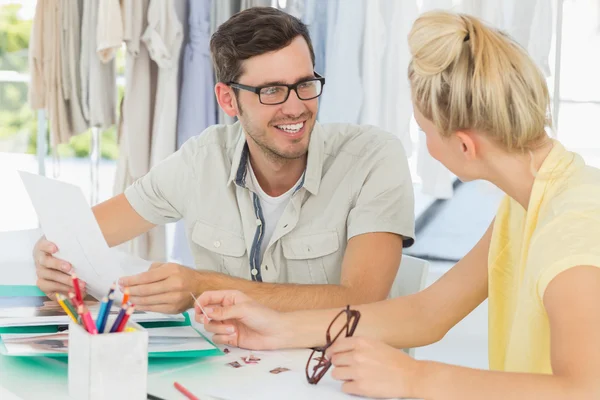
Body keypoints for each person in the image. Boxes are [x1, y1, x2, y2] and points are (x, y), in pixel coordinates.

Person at [194, 11, 600, 399]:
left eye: (423, 131)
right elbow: (429, 313)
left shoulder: (572, 228)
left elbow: (585, 391)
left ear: (464, 145)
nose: (423, 142)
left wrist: (413, 376)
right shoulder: (529, 201)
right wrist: (278, 328)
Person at [32, 7, 415, 314]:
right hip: (230, 372)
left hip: (337, 375)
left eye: (305, 84)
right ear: (228, 100)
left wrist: (204, 286)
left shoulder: (372, 158)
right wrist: (51, 257)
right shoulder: (201, 160)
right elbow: (79, 236)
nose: (296, 107)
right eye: (272, 91)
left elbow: (362, 299)